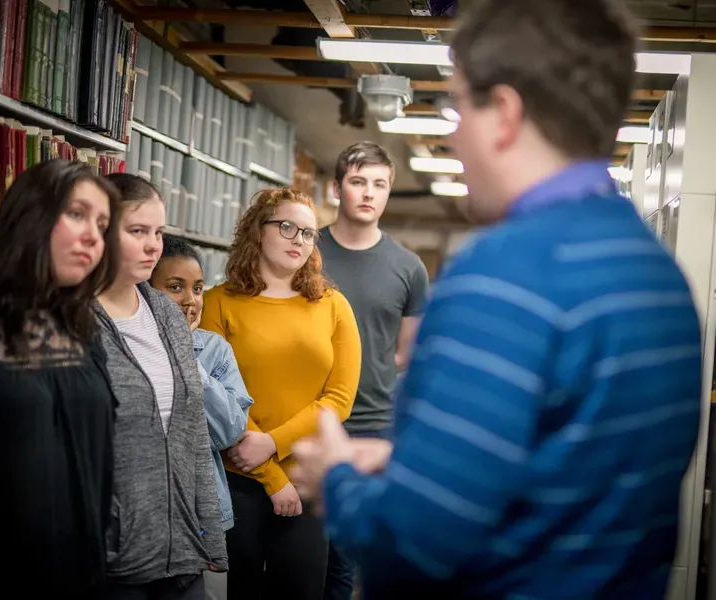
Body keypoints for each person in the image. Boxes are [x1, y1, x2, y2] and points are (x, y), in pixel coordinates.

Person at [291, 1, 703, 599]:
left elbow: (416, 541)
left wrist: (338, 484)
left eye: (457, 106)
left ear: (504, 115)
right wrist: (414, 468)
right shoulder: (658, 274)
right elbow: (563, 484)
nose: (453, 130)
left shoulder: (503, 273)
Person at [0, 160, 121, 600]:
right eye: (76, 213)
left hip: (86, 578)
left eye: (103, 223)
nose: (94, 235)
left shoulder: (81, 328)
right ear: (31, 216)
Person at [200, 187, 362, 600]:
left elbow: (339, 399)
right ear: (258, 230)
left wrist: (272, 442)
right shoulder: (218, 303)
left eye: (308, 234)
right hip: (236, 478)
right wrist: (271, 478)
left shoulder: (333, 305)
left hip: (307, 476)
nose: (299, 241)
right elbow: (212, 395)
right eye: (287, 227)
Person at [96, 174, 226, 600]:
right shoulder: (73, 319)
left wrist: (210, 539)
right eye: (138, 231)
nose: (154, 245)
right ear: (99, 229)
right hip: (115, 557)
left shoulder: (166, 315)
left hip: (184, 548)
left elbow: (192, 434)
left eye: (158, 232)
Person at [317, 141, 429, 600]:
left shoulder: (409, 268)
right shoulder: (307, 251)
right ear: (337, 187)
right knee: (296, 559)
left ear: (388, 192)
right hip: (307, 420)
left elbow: (405, 353)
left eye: (379, 184)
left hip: (370, 425)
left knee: (347, 562)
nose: (368, 193)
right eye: (358, 181)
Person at [149, 233, 253, 532]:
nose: (190, 300)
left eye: (197, 288)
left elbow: (227, 432)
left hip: (195, 514)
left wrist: (184, 355)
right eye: (175, 287)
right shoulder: (127, 347)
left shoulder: (214, 350)